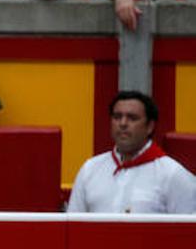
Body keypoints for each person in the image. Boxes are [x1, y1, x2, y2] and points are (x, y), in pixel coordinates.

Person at [67, 91, 196, 213]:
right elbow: (73, 224)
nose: (123, 123)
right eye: (117, 117)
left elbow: (188, 227)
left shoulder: (173, 175)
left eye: (132, 118)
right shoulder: (90, 169)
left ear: (150, 126)